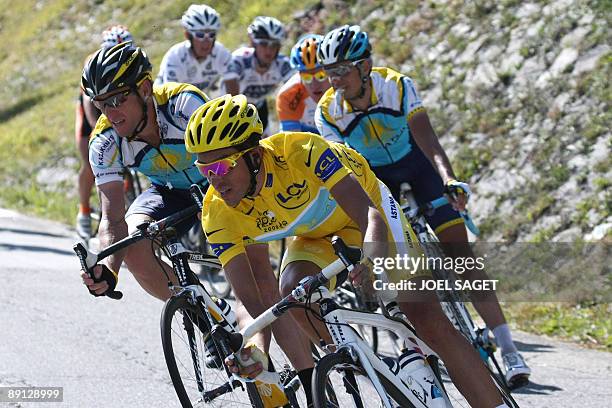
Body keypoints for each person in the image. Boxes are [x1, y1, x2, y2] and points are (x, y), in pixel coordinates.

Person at [184, 94, 512, 407]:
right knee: (293, 293)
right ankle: (371, 366)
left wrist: (371, 261)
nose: (215, 180)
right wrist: (255, 347)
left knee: (425, 317)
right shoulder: (217, 212)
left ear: (253, 157)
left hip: (371, 216)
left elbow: (369, 215)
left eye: (222, 167)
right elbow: (249, 297)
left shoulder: (302, 151)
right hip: (317, 236)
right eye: (204, 170)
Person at [315, 24, 530, 388]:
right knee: (391, 264)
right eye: (328, 73)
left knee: (462, 257)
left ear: (365, 67)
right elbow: (346, 170)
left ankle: (509, 349)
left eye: (342, 70)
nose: (335, 80)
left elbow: (427, 139)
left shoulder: (396, 86)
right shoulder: (328, 113)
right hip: (375, 178)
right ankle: (422, 346)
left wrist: (448, 179)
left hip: (418, 166)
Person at [79, 42, 209, 301]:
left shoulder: (182, 106)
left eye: (117, 99)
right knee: (134, 245)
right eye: (101, 104)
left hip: (216, 182)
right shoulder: (105, 141)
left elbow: (228, 160)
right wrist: (108, 268)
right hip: (168, 193)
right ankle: (208, 319)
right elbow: (112, 218)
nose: (110, 113)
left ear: (145, 89)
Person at [75, 25, 133, 239]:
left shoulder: (130, 62)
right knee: (89, 162)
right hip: (93, 108)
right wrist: (97, 130)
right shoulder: (93, 63)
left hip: (116, 107)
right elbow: (89, 103)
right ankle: (84, 210)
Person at [224, 16, 294, 132]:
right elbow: (232, 95)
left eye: (274, 45)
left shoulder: (282, 64)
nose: (269, 50)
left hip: (259, 108)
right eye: (263, 44)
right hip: (232, 107)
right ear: (253, 43)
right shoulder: (240, 60)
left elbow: (298, 86)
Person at [155, 4, 232, 98]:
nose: (206, 41)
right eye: (200, 35)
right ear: (187, 35)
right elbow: (171, 99)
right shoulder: (175, 57)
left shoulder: (221, 53)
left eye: (211, 35)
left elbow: (233, 85)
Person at [275, 34, 331, 133]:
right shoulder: (288, 96)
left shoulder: (343, 83)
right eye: (307, 77)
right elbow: (292, 144)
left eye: (320, 75)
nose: (314, 84)